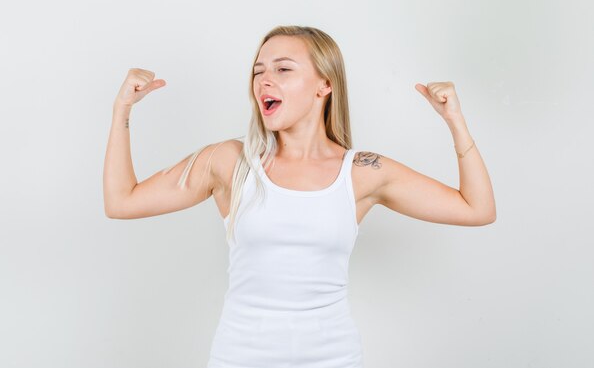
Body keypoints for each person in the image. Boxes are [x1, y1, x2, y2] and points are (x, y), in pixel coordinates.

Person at [103, 25, 496, 368]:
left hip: (334, 358)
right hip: (240, 358)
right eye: (258, 71)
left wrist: (454, 121)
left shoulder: (361, 171)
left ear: (324, 85)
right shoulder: (229, 161)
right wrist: (122, 109)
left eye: (283, 69)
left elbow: (476, 209)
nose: (264, 81)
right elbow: (122, 202)